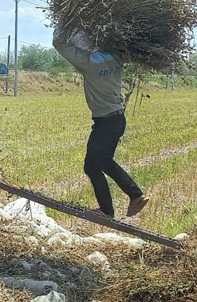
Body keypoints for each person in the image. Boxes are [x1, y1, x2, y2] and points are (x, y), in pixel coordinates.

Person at [51, 26, 149, 218]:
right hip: (116, 119)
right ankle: (131, 197)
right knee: (102, 162)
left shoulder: (89, 63)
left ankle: (115, 206)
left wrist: (65, 21)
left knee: (92, 165)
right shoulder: (117, 56)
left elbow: (58, 43)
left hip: (106, 122)